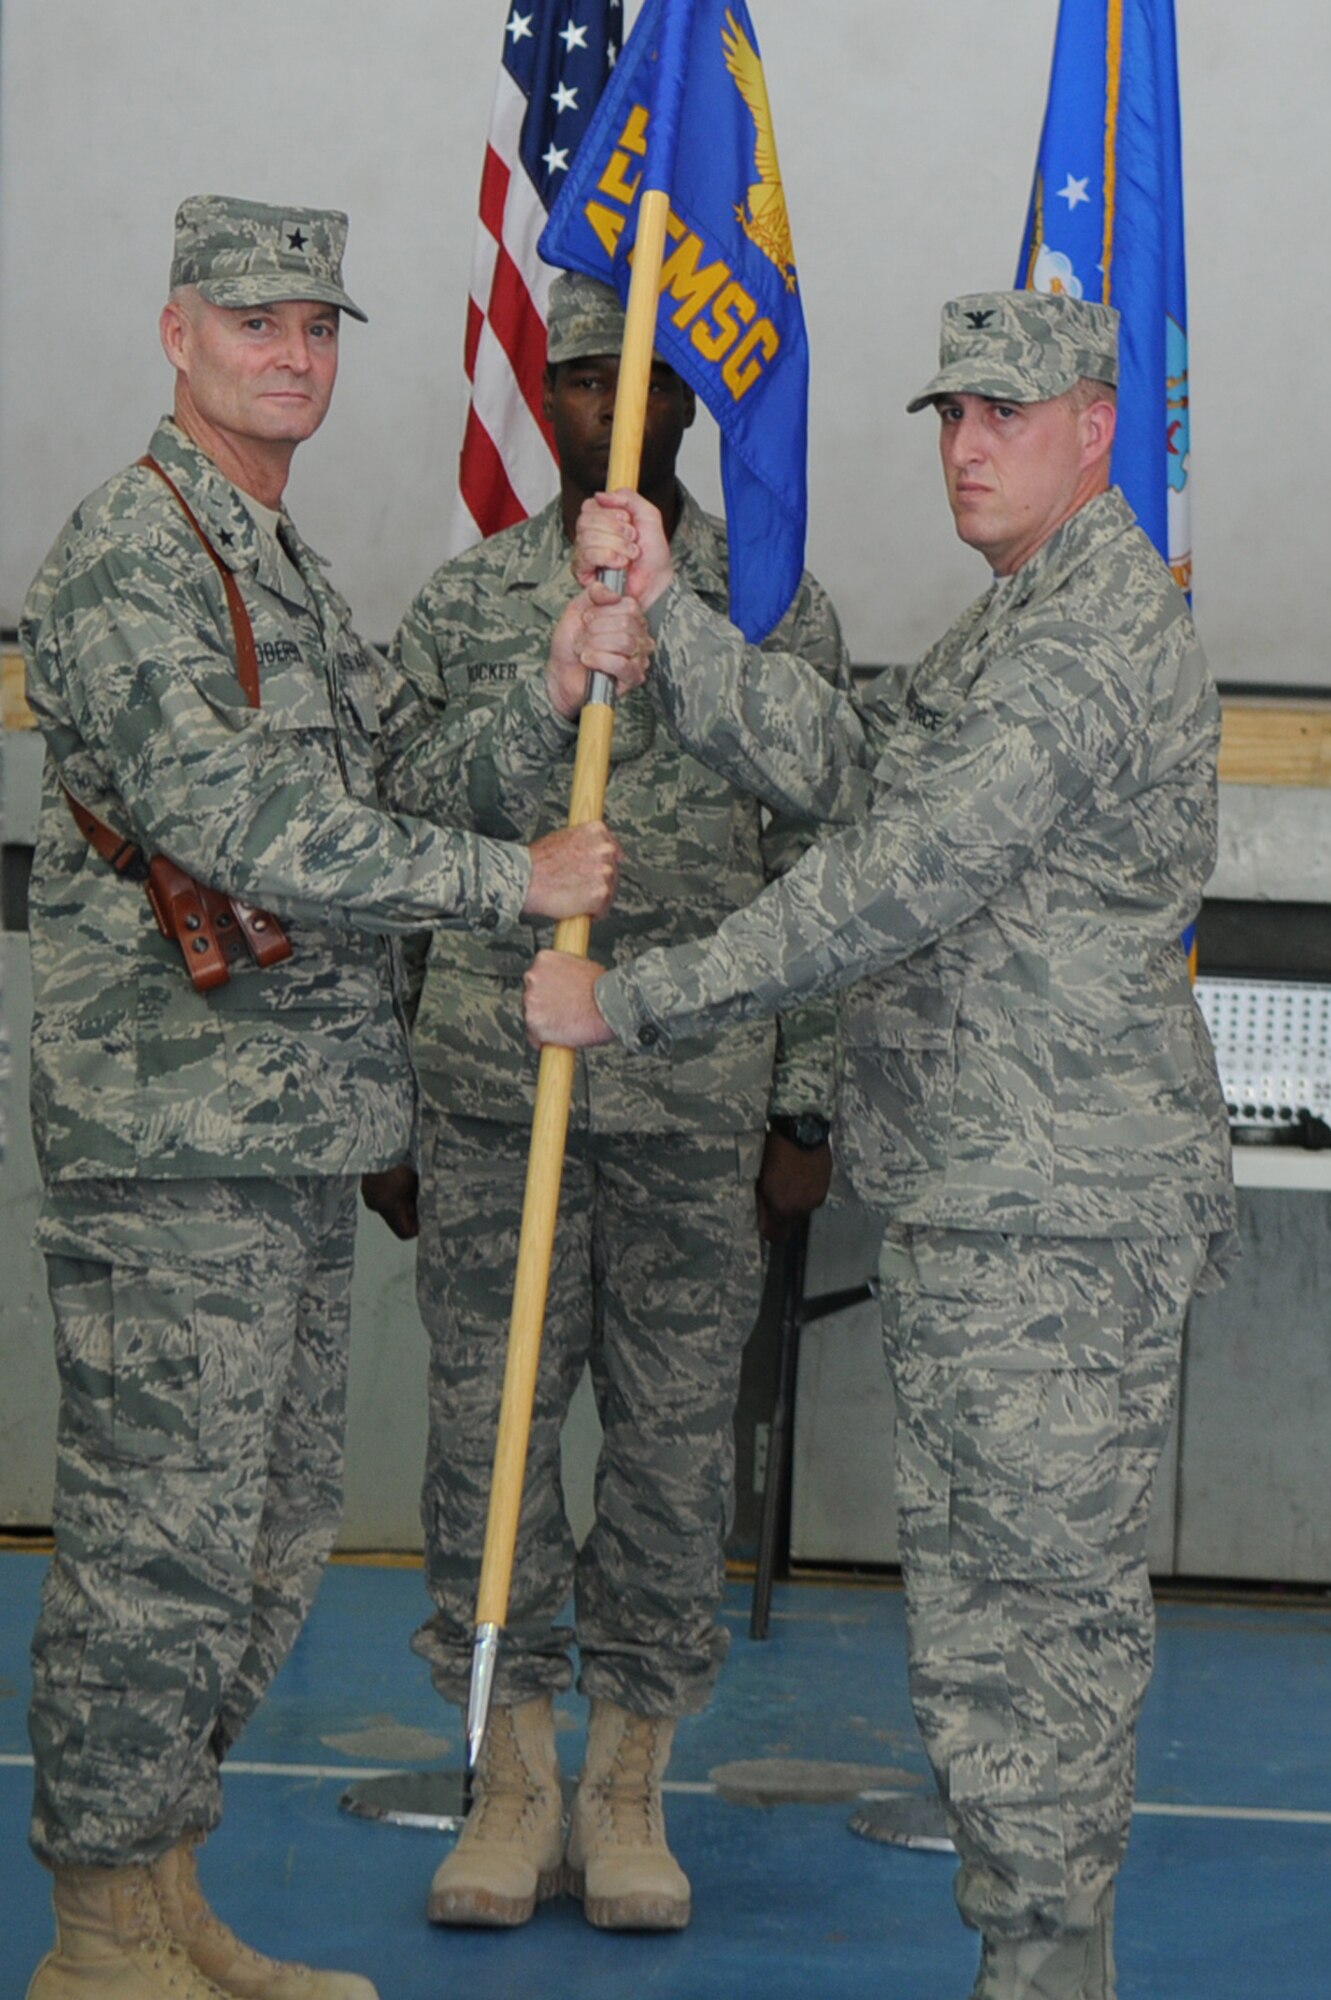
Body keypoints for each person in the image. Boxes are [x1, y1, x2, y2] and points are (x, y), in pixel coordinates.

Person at [525, 291, 1236, 1999]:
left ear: (1094, 424)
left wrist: (632, 1000)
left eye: (1004, 413)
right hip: (986, 1207)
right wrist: (671, 627)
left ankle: (1047, 1974)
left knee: (1032, 1640)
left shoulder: (1087, 636)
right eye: (947, 415)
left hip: (1053, 1221)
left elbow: (891, 879)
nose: (966, 445)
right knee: (987, 1632)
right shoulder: (1012, 622)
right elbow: (855, 772)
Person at [19, 197, 647, 2000]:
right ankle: (95, 1935)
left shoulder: (274, 562)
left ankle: (168, 1895)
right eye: (253, 324)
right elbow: (238, 822)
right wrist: (504, 880)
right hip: (170, 1142)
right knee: (158, 1543)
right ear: (175, 336)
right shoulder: (133, 557)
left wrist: (542, 693)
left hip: (281, 1138)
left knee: (264, 1540)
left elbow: (389, 766)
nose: (291, 356)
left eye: (317, 327)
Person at [378, 271, 848, 1934]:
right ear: (550, 400)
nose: (605, 411)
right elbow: (401, 828)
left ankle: (631, 1780)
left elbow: (823, 849)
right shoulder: (465, 605)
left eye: (636, 384)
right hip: (495, 1089)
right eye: (578, 382)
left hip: (697, 1099)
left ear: (684, 408)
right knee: (484, 1444)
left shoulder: (766, 599)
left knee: (661, 1452)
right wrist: (389, 1110)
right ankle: (507, 1775)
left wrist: (803, 1106)